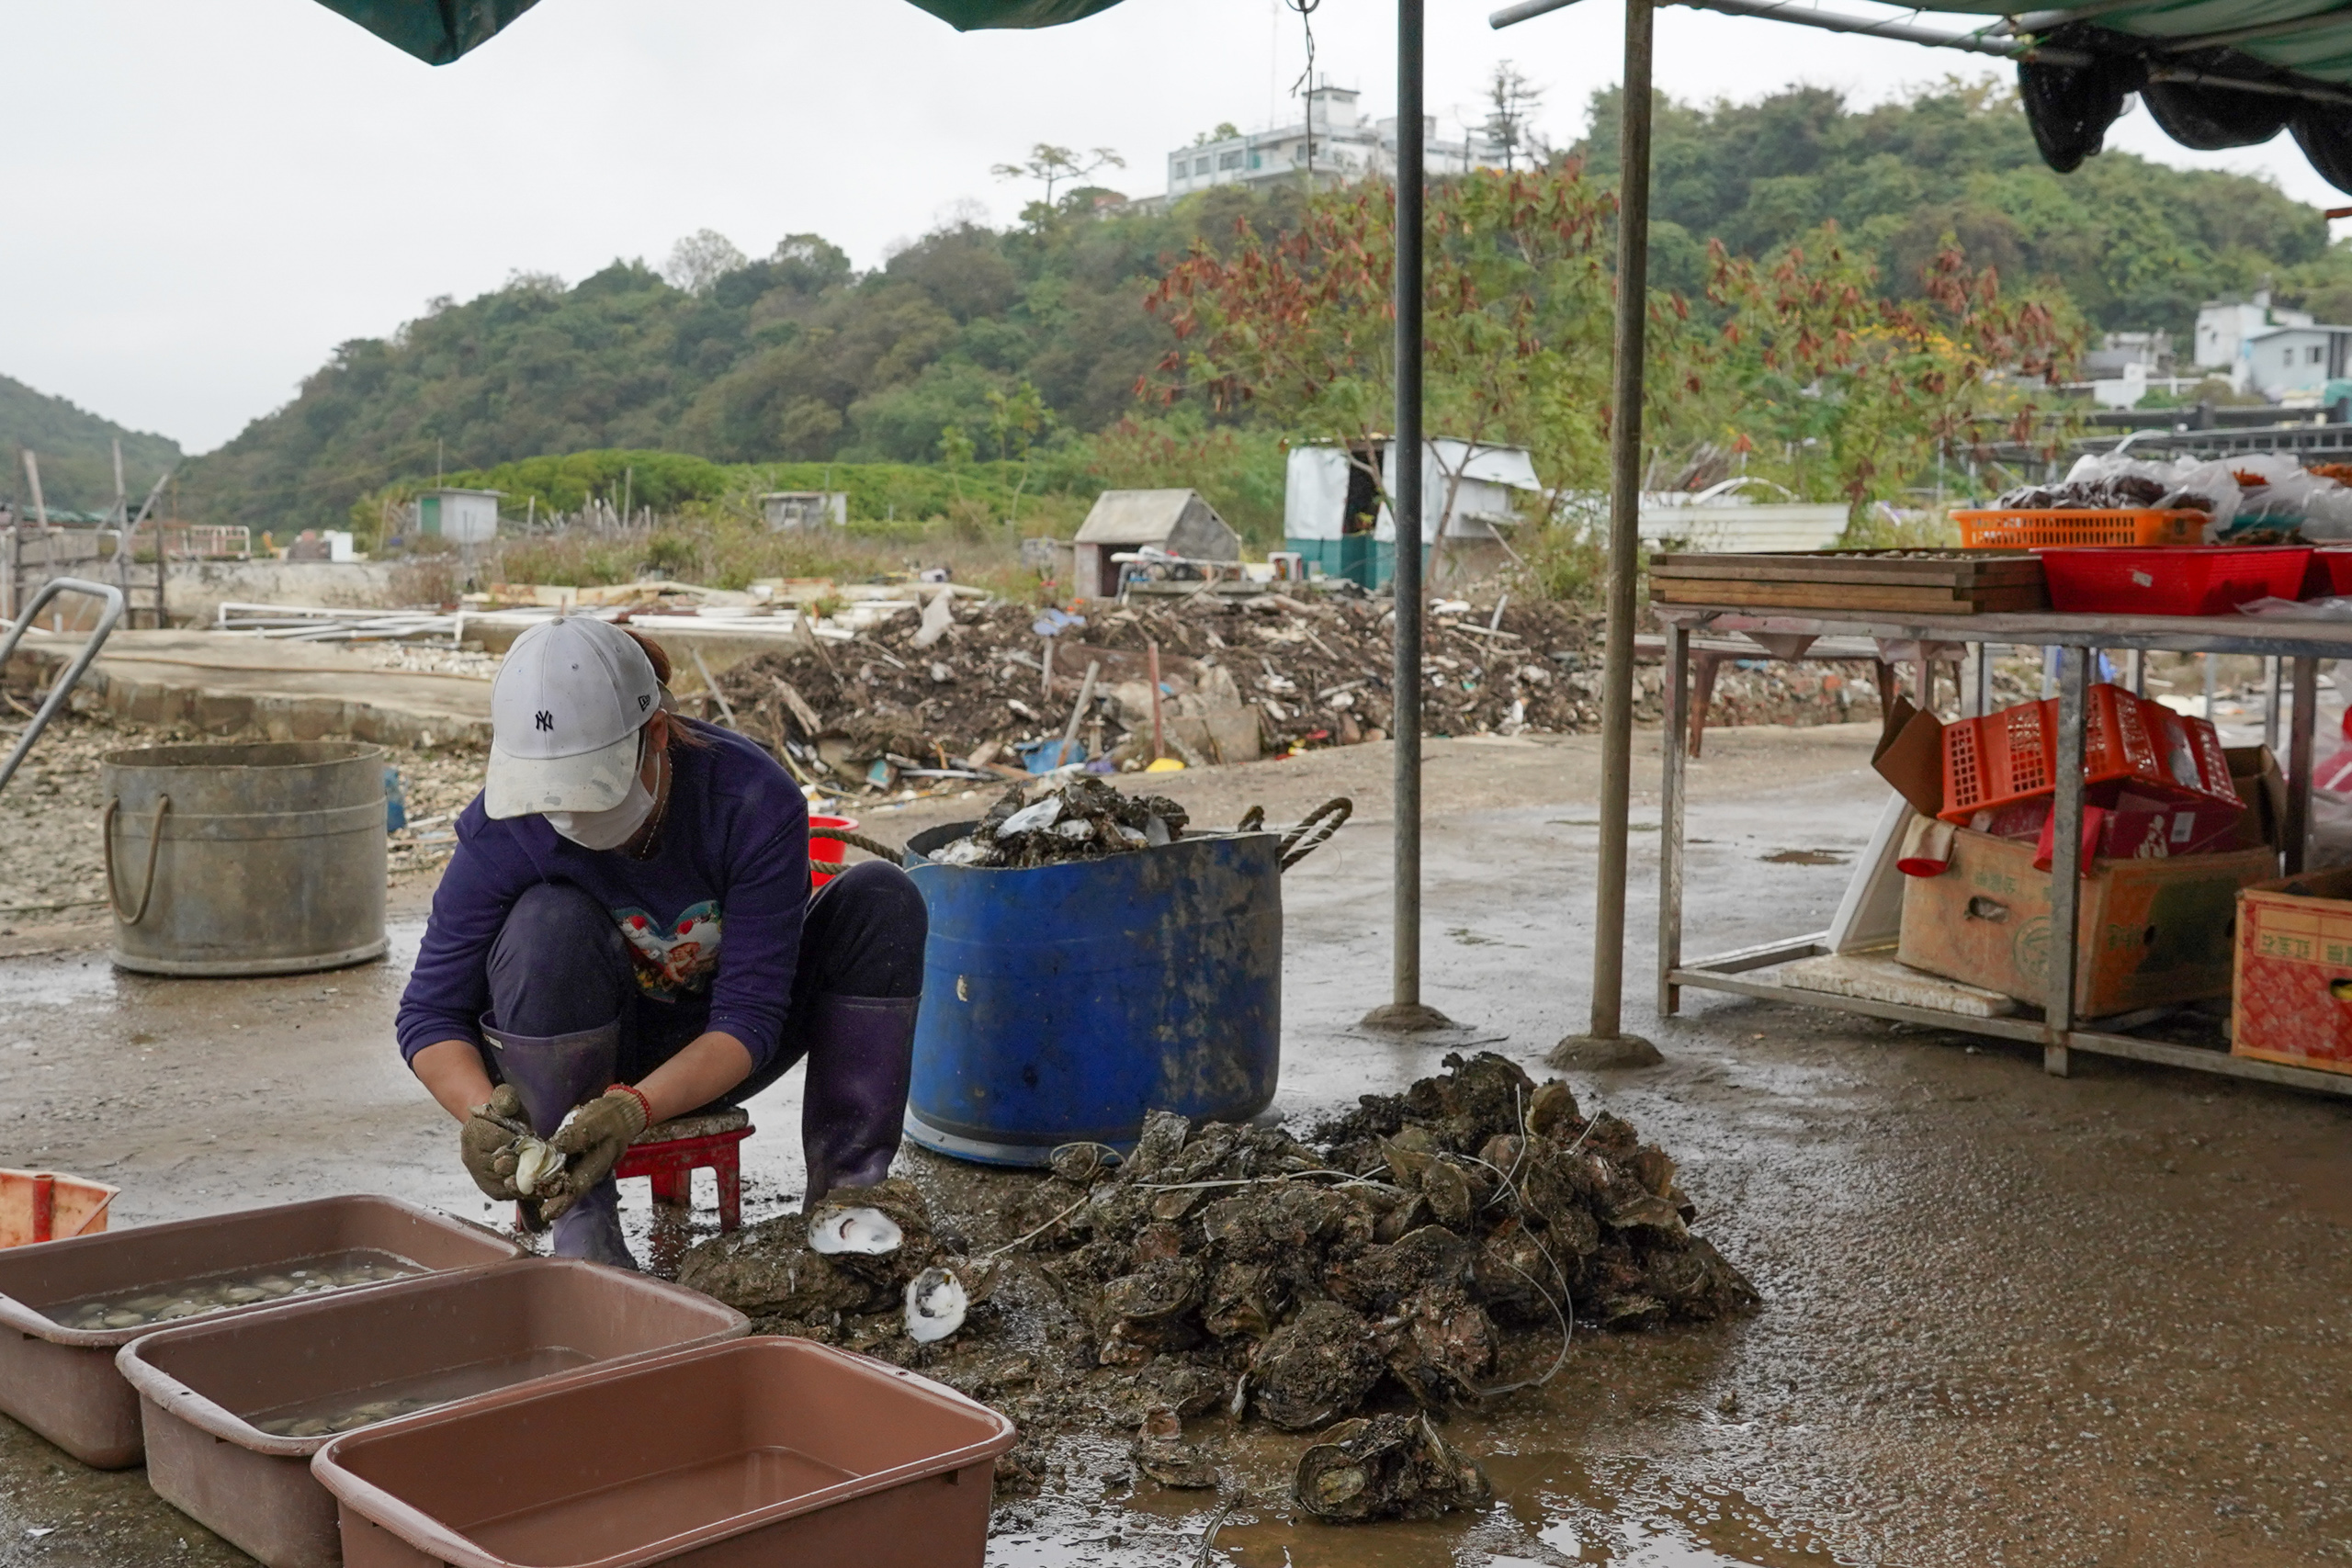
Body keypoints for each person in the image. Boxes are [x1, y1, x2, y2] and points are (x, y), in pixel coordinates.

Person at [395, 615, 926, 1269]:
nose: (568, 817)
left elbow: (751, 1017)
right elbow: (429, 1013)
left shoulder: (751, 799)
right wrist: (483, 1117)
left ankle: (849, 1211)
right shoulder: (506, 826)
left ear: (655, 735)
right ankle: (582, 1221)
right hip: (569, 1063)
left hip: (715, 1049)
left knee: (882, 897)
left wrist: (636, 1108)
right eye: (551, 796)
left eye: (591, 789)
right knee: (547, 922)